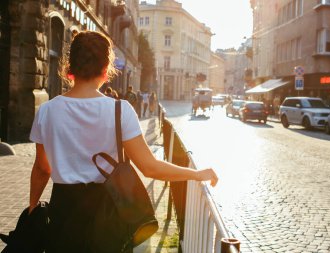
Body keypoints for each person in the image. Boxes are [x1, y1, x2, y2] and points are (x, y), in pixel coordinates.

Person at [28, 31, 218, 253]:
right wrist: (194, 174)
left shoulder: (47, 110)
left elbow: (42, 168)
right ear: (106, 68)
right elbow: (149, 167)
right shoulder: (120, 110)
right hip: (109, 211)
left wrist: (33, 208)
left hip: (64, 210)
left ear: (70, 66)